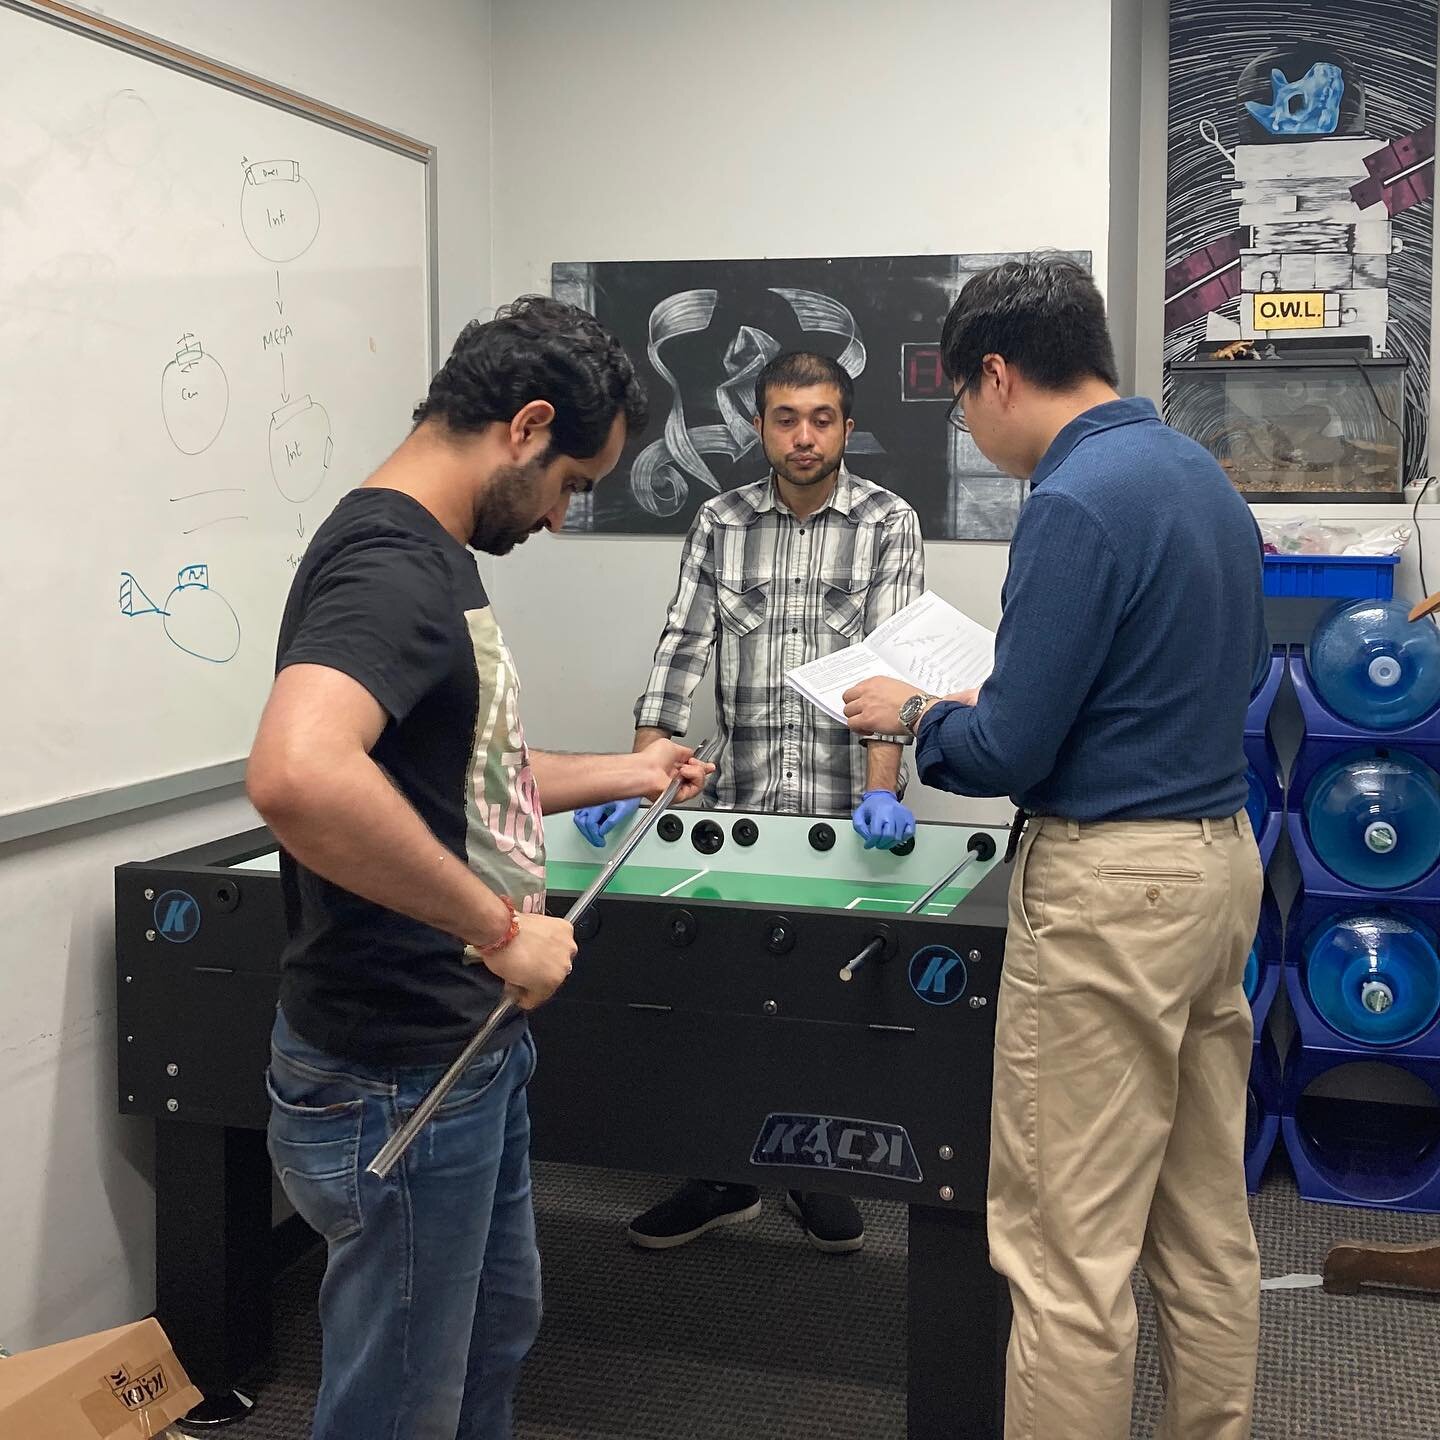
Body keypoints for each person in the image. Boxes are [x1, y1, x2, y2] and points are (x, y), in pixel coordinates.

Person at [245, 296, 713, 1440]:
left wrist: (630, 769)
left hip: (466, 1051)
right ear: (527, 425)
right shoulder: (396, 564)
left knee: (494, 1338)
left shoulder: (426, 551)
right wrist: (499, 930)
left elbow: (465, 782)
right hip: (398, 1069)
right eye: (572, 484)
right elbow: (297, 774)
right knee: (403, 1404)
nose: (560, 517)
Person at [842, 256, 1266, 1440]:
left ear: (995, 375)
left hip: (1110, 887)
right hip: (1219, 859)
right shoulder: (1196, 476)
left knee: (1067, 1259)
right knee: (1204, 1229)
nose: (973, 431)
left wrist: (918, 718)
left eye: (963, 406)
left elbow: (1011, 751)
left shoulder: (1074, 502)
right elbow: (1204, 681)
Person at [576, 349, 925, 1254]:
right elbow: (679, 653)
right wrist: (639, 771)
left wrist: (883, 790)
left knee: (830, 1002)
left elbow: (894, 666)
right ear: (759, 425)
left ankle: (811, 1171)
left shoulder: (892, 522)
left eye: (820, 418)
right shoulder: (719, 522)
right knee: (726, 995)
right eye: (783, 418)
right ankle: (723, 1172)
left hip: (849, 809)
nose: (802, 436)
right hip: (739, 802)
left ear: (847, 426)